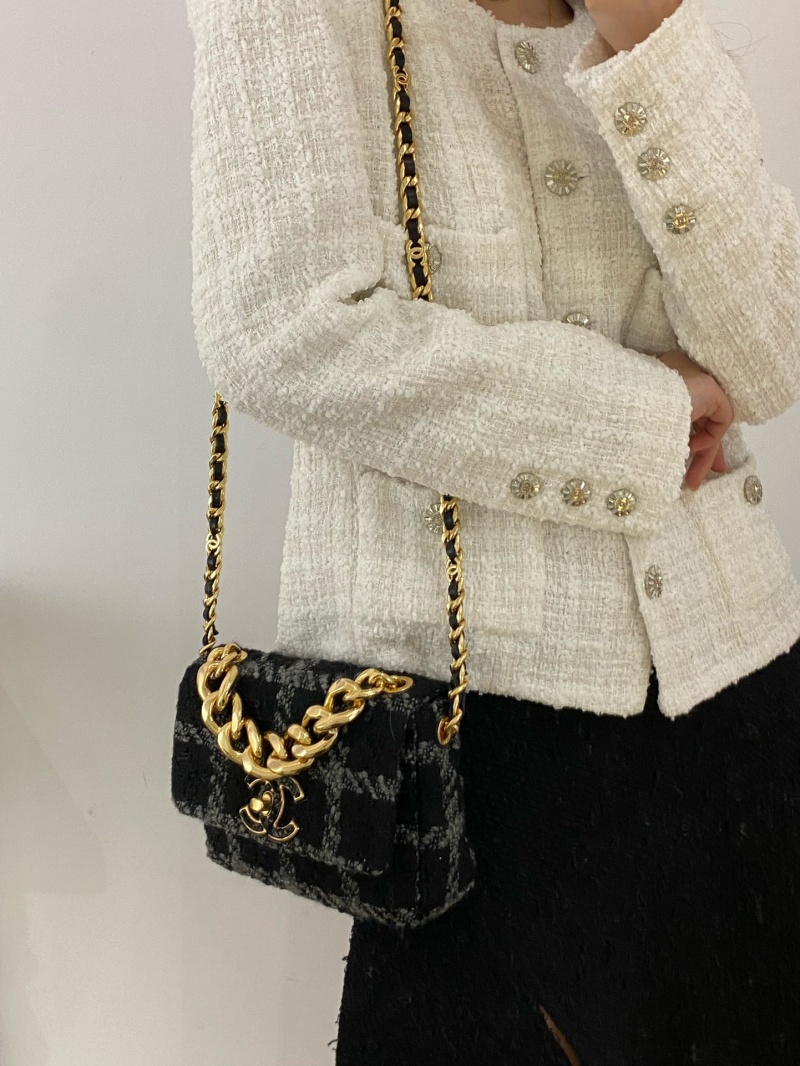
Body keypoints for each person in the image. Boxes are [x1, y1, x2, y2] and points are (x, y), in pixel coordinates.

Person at [184, 0, 800, 1059]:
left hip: (741, 689)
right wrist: (639, 420)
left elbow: (770, 352)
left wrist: (648, 36)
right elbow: (285, 324)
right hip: (466, 745)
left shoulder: (642, 20)